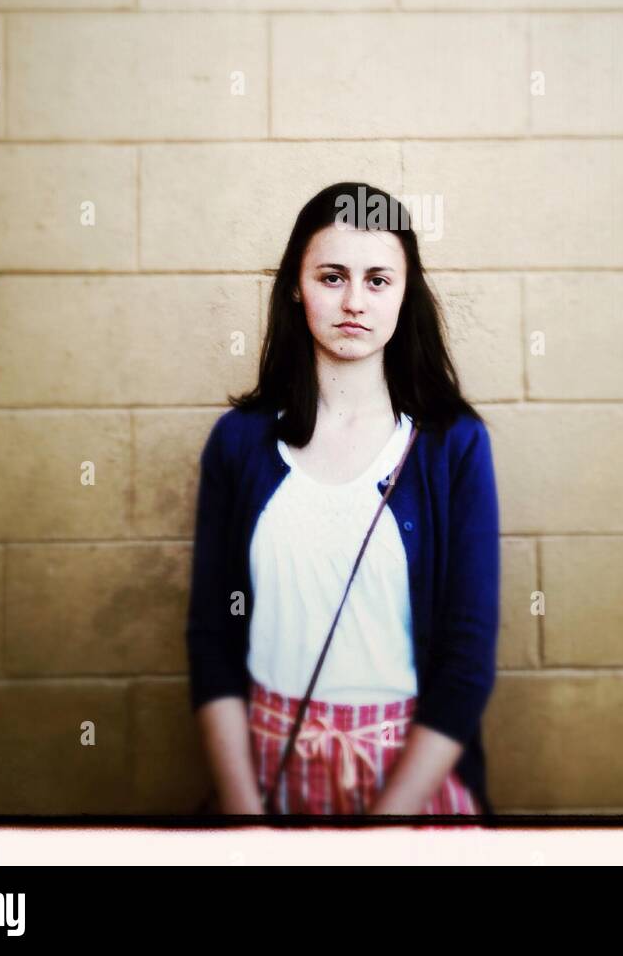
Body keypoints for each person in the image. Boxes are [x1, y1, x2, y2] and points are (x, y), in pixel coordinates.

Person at [185, 181, 501, 817]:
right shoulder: (240, 444)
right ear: (296, 288)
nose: (355, 301)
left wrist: (387, 831)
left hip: (411, 788)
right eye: (332, 277)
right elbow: (212, 638)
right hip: (271, 776)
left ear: (405, 293)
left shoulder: (452, 447)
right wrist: (246, 819)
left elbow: (466, 661)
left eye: (378, 279)